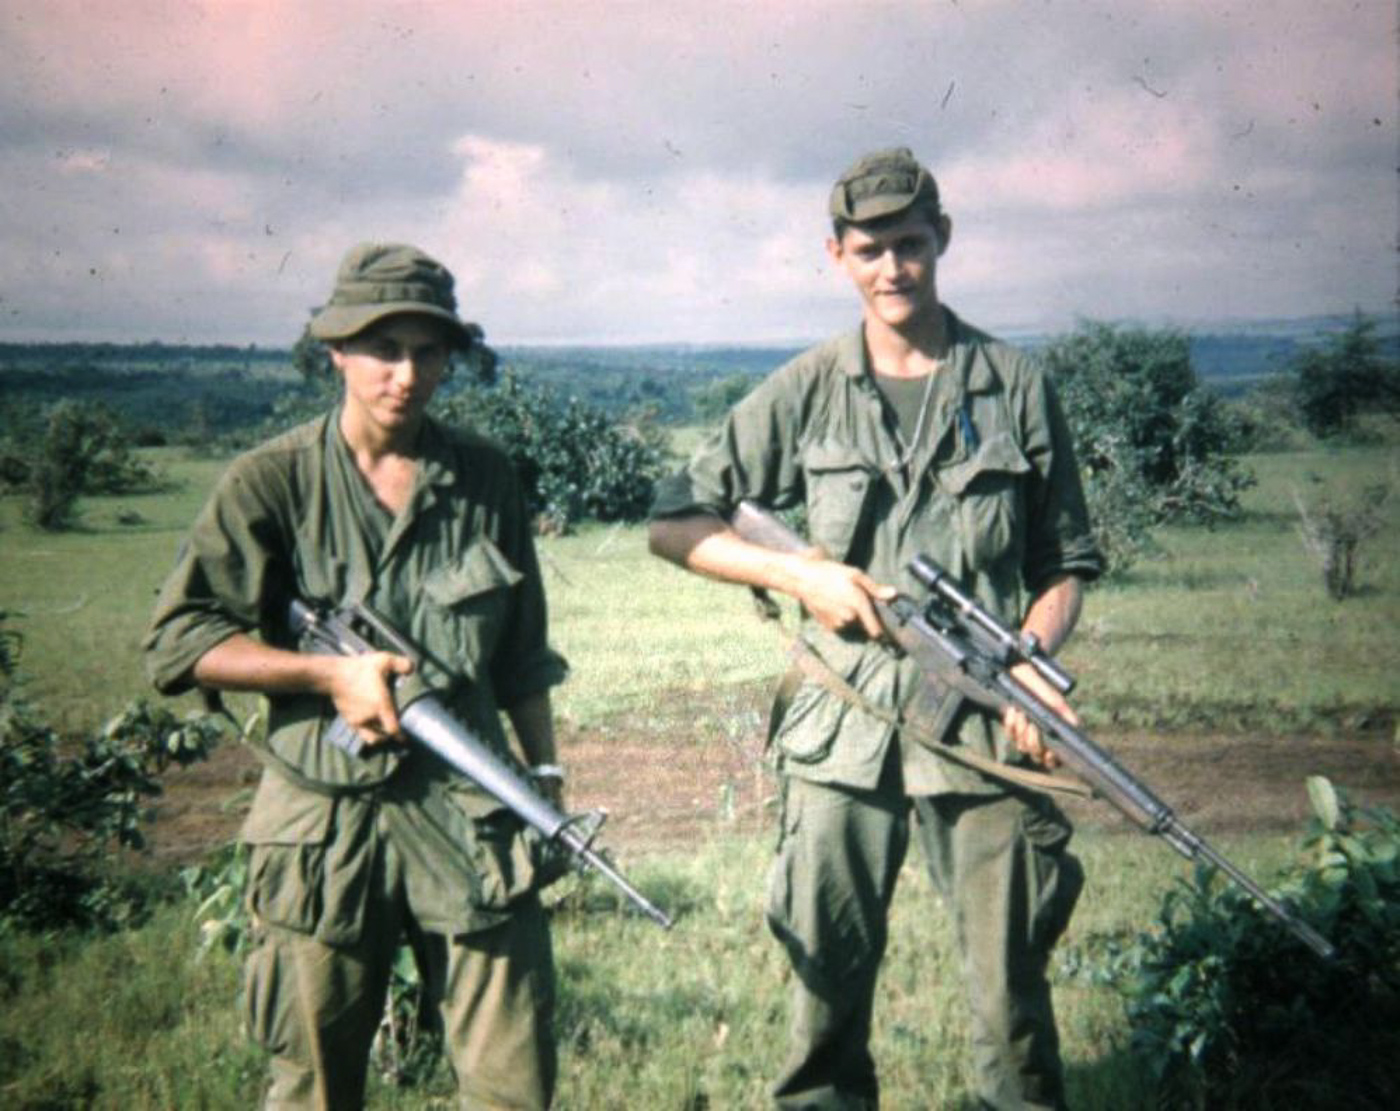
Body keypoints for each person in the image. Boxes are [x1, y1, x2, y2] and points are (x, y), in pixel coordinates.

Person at [648, 148, 1104, 1110]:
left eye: (909, 244)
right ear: (837, 256)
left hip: (980, 728)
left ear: (943, 241)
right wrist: (795, 572)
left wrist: (1034, 664)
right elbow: (676, 521)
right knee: (824, 997)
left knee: (1012, 1002)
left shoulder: (1015, 386)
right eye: (870, 250)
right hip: (840, 732)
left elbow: (1065, 562)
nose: (892, 268)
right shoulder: (809, 386)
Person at [145, 242, 568, 1110]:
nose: (405, 374)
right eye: (382, 348)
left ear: (452, 356)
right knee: (313, 1083)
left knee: (514, 1082)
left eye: (426, 350)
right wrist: (326, 676)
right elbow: (180, 641)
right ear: (335, 350)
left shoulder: (485, 477)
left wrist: (548, 780)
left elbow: (524, 655)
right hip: (322, 818)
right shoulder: (270, 480)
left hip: (470, 808)